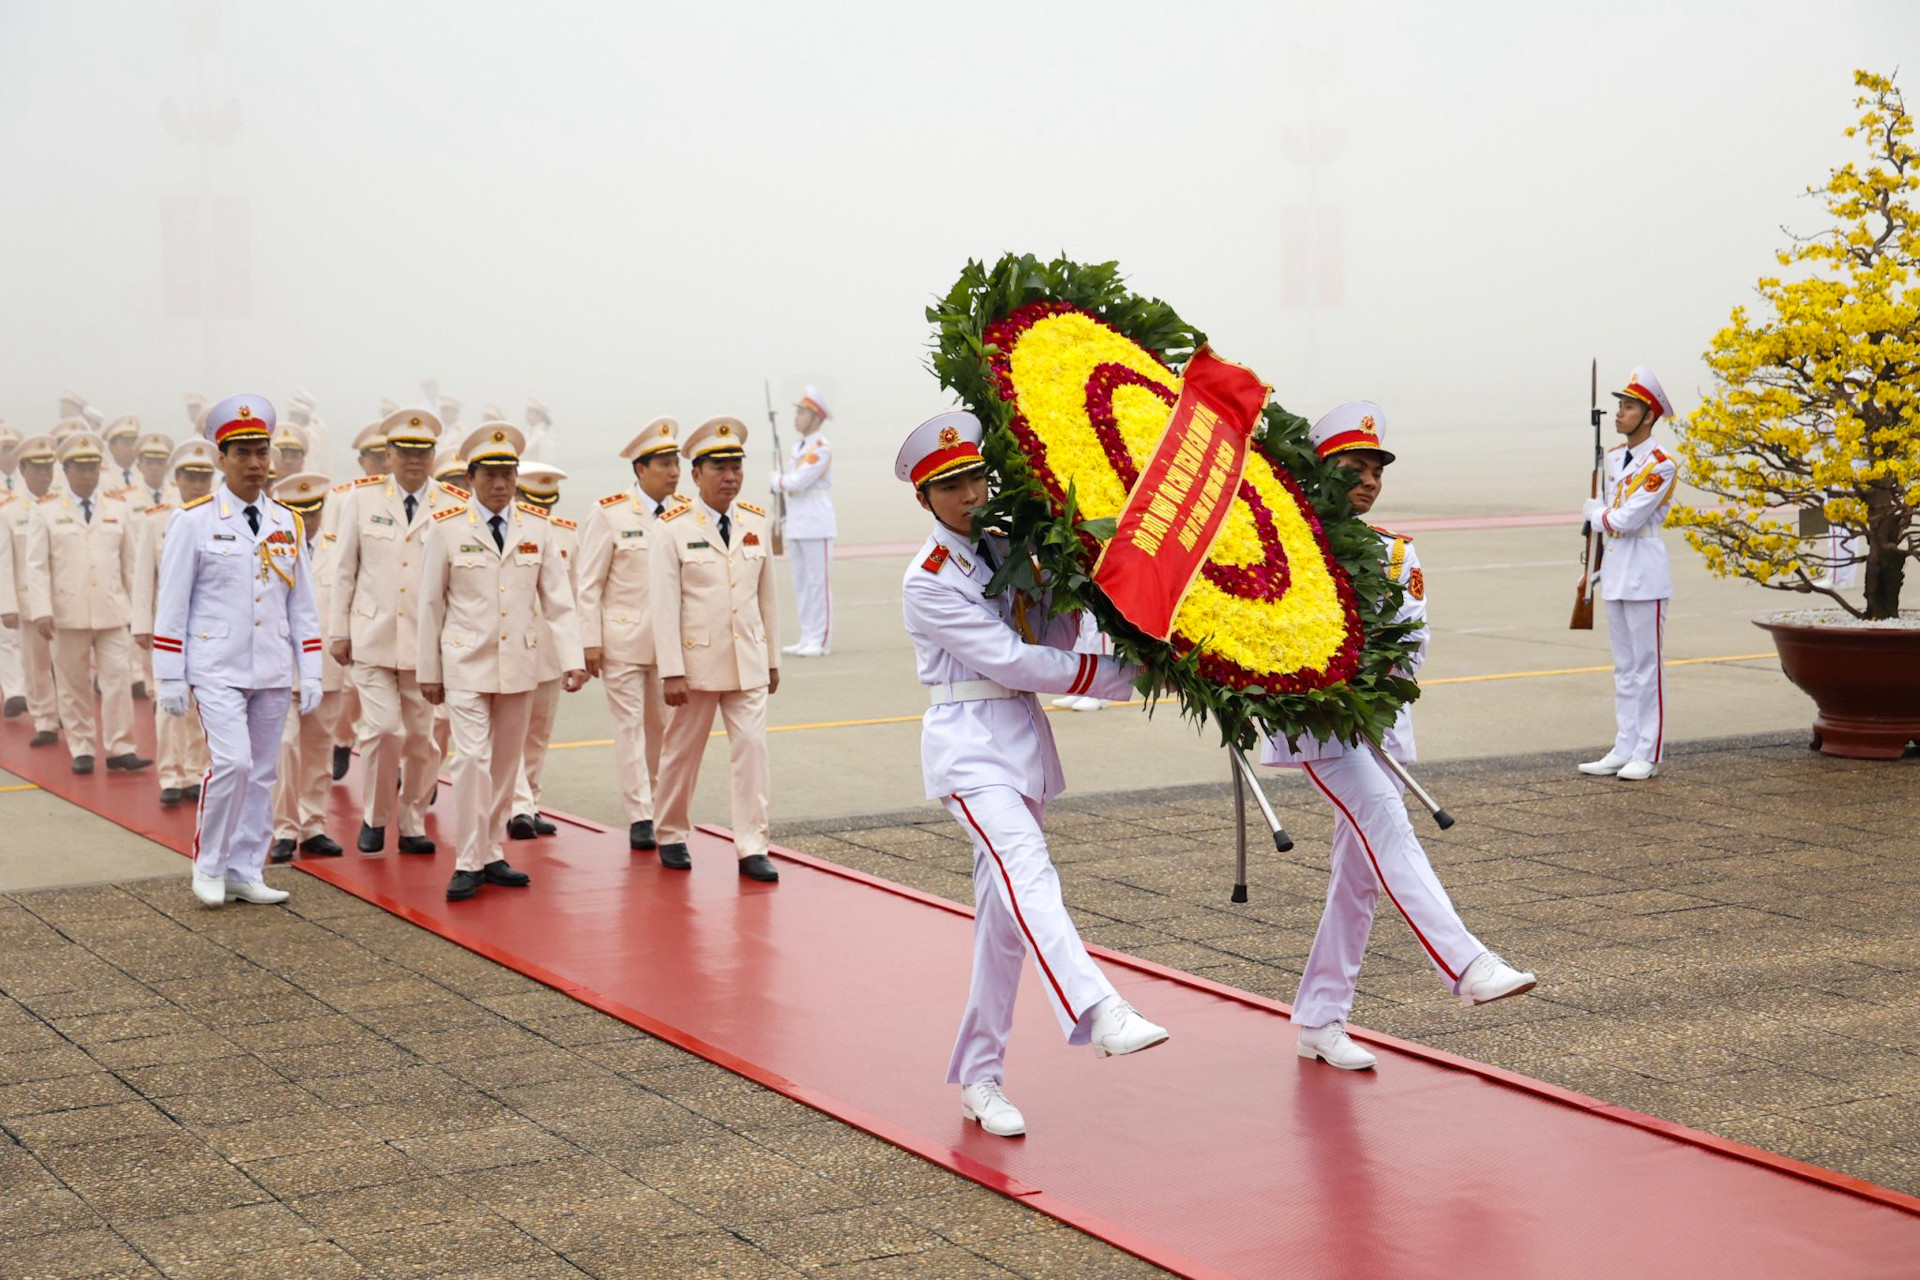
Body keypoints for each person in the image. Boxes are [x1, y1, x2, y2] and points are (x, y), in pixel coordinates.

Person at [897, 411, 1168, 1139]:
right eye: (949, 486)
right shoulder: (927, 579)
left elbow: (1042, 635)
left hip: (1019, 743)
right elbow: (1010, 661)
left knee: (1003, 926)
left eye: (975, 478)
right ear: (923, 499)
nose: (968, 494)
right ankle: (1096, 1007)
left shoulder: (1000, 551)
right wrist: (1121, 675)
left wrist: (1080, 582)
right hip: (970, 748)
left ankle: (980, 1079)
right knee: (1029, 871)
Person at [1262, 402, 1537, 1072]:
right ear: (1320, 469)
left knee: (1358, 878)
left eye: (1376, 470)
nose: (1369, 481)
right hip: (1317, 726)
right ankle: (1468, 963)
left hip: (1377, 725)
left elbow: (1413, 641)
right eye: (1354, 468)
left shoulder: (1394, 551)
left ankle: (1321, 1019)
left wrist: (1373, 688)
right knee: (1388, 825)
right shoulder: (1283, 546)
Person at [152, 394, 322, 907]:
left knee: (264, 772)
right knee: (232, 763)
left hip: (271, 665)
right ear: (221, 460)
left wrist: (309, 671)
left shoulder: (287, 521)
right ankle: (209, 864)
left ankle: (246, 867)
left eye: (261, 452)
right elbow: (173, 601)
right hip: (215, 665)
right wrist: (169, 675)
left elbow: (303, 605)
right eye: (242, 453)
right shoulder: (195, 520)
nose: (254, 463)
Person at [417, 424, 585, 902]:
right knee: (472, 759)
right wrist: (428, 671)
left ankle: (491, 850)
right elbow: (430, 606)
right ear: (471, 478)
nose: (500, 484)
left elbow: (559, 600)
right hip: (466, 662)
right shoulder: (447, 529)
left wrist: (571, 657)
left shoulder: (538, 528)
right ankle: (468, 861)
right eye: (490, 474)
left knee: (506, 765)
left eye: (507, 474)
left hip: (519, 663)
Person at [649, 417, 781, 881]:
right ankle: (669, 832)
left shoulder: (755, 522)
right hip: (695, 663)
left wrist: (772, 659)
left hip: (748, 660)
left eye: (736, 467)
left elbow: (766, 597)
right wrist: (670, 669)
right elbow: (663, 606)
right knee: (681, 753)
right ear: (696, 473)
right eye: (719, 468)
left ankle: (752, 845)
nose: (730, 476)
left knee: (751, 750)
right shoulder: (671, 528)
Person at [327, 408, 458, 855]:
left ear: (434, 455)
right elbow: (343, 569)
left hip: (426, 646)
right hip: (371, 638)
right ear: (389, 455)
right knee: (383, 730)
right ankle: (375, 817)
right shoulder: (360, 500)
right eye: (405, 452)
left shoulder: (451, 504)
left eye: (423, 452)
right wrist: (337, 631)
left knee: (422, 740)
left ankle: (412, 821)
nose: (414, 461)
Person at [577, 418, 687, 853]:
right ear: (640, 469)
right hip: (622, 640)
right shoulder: (610, 513)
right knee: (629, 729)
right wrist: (589, 640)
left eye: (676, 463)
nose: (674, 472)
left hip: (669, 646)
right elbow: (588, 583)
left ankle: (662, 806)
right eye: (664, 463)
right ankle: (640, 813)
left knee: (664, 730)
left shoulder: (684, 514)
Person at [25, 432, 150, 774]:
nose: (88, 474)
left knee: (117, 679)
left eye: (93, 467)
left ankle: (120, 747)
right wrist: (41, 610)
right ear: (65, 470)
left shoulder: (117, 507)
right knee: (73, 684)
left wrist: (138, 614)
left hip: (112, 610)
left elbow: (131, 565)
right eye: (80, 468)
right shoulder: (46, 511)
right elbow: (36, 566)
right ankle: (81, 746)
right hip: (67, 612)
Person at [1578, 367, 1679, 783]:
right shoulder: (1616, 456)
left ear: (1649, 416)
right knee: (1623, 667)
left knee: (1647, 666)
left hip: (1645, 571)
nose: (1620, 413)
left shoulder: (1662, 464)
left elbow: (1627, 519)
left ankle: (1648, 752)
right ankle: (1624, 746)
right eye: (1620, 406)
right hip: (1616, 570)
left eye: (1629, 407)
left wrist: (1594, 514)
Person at [266, 472, 346, 862]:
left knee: (319, 751)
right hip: (281, 667)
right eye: (298, 513)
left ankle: (313, 825)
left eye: (312, 513)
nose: (306, 521)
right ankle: (284, 828)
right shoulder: (267, 547)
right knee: (284, 747)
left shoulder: (338, 548)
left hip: (326, 668)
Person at [132, 440, 217, 806]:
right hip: (168, 626)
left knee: (202, 703)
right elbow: (141, 576)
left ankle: (196, 772)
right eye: (191, 477)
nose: (197, 485)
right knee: (168, 703)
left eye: (204, 477)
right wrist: (141, 624)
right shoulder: (156, 520)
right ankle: (170, 774)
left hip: (209, 626)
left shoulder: (221, 517)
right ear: (177, 478)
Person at [507, 460, 576, 839]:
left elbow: (572, 600)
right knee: (512, 733)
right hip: (513, 646)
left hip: (549, 650)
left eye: (549, 503)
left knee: (538, 735)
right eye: (535, 502)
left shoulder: (565, 535)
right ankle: (517, 807)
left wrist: (574, 656)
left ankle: (529, 803)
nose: (543, 511)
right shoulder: (505, 531)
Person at [5, 436, 62, 743]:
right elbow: (5, 563)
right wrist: (7, 605)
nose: (44, 474)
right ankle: (45, 721)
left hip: (66, 598)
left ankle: (65, 711)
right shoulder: (9, 510)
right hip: (29, 599)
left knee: (66, 666)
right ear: (23, 469)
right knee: (37, 664)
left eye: (48, 468)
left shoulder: (63, 504)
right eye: (37, 468)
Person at [772, 386, 837, 657]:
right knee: (801, 584)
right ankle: (806, 635)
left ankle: (820, 640)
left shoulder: (820, 447)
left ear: (816, 418)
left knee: (817, 584)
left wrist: (777, 480)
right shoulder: (797, 447)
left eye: (802, 413)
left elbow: (797, 481)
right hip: (798, 521)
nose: (797, 417)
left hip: (816, 520)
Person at [0, 425, 24, 717]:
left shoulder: (28, 487)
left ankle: (23, 689)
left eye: (12, 449)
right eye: (4, 449)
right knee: (6, 636)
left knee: (22, 636)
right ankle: (15, 691)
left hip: (24, 565)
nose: (9, 455)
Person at [103, 416, 142, 491]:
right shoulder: (101, 478)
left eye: (134, 444)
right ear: (111, 447)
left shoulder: (145, 478)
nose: (131, 448)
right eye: (126, 443)